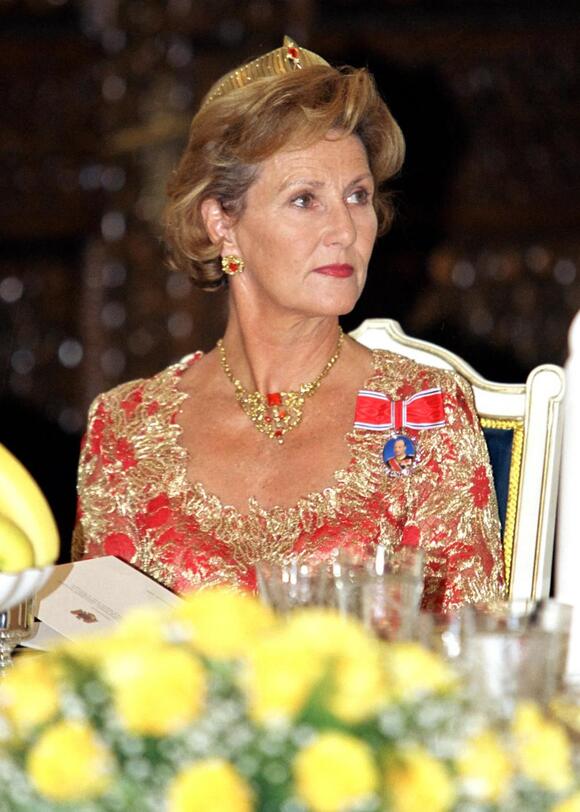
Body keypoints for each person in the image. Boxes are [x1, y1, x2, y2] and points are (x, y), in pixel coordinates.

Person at [73, 37, 504, 611]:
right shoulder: (125, 430)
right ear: (222, 223)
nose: (345, 231)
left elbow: (470, 666)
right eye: (305, 199)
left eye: (357, 196)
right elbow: (91, 658)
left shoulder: (423, 414)